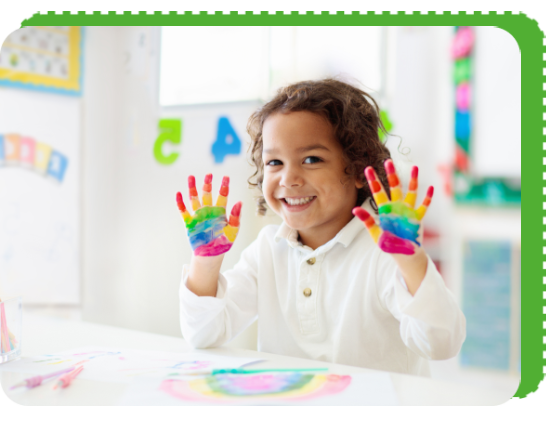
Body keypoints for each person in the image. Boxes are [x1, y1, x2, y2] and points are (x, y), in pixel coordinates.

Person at [176, 78, 466, 377]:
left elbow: (441, 345)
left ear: (357, 170)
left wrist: (411, 262)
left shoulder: (384, 253)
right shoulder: (267, 249)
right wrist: (206, 263)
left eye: (311, 159)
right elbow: (203, 335)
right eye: (274, 162)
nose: (288, 179)